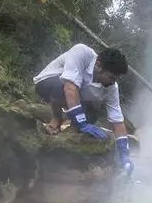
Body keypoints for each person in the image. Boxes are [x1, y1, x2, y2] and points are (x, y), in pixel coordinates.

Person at [33, 44, 133, 173]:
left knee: (92, 115)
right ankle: (57, 119)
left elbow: (117, 120)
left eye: (116, 79)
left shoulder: (112, 87)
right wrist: (82, 122)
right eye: (111, 77)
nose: (113, 82)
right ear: (98, 65)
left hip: (74, 95)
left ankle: (71, 131)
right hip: (48, 83)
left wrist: (124, 154)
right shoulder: (82, 53)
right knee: (61, 87)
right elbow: (69, 87)